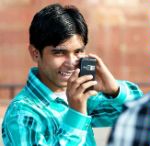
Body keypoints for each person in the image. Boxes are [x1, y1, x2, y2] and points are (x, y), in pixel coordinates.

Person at [2, 3, 143, 146]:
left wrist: (114, 90)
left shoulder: (81, 96)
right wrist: (77, 115)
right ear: (35, 53)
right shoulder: (22, 114)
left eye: (78, 52)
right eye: (59, 53)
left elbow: (139, 113)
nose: (71, 62)